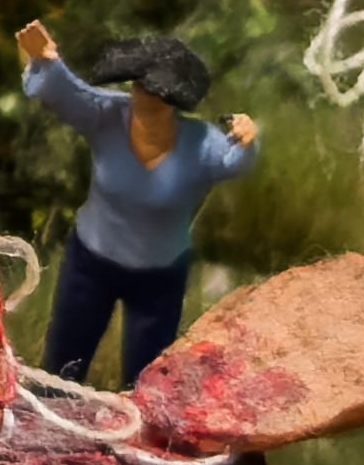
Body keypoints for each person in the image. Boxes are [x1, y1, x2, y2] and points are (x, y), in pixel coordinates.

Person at [15, 22, 260, 388]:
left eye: (159, 95)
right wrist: (48, 60)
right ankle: (48, 413)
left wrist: (246, 139)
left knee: (150, 377)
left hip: (159, 276)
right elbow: (72, 93)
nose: (146, 99)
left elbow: (234, 160)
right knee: (64, 363)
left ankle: (140, 423)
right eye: (141, 88)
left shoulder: (201, 144)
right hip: (91, 263)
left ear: (174, 101)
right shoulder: (108, 115)